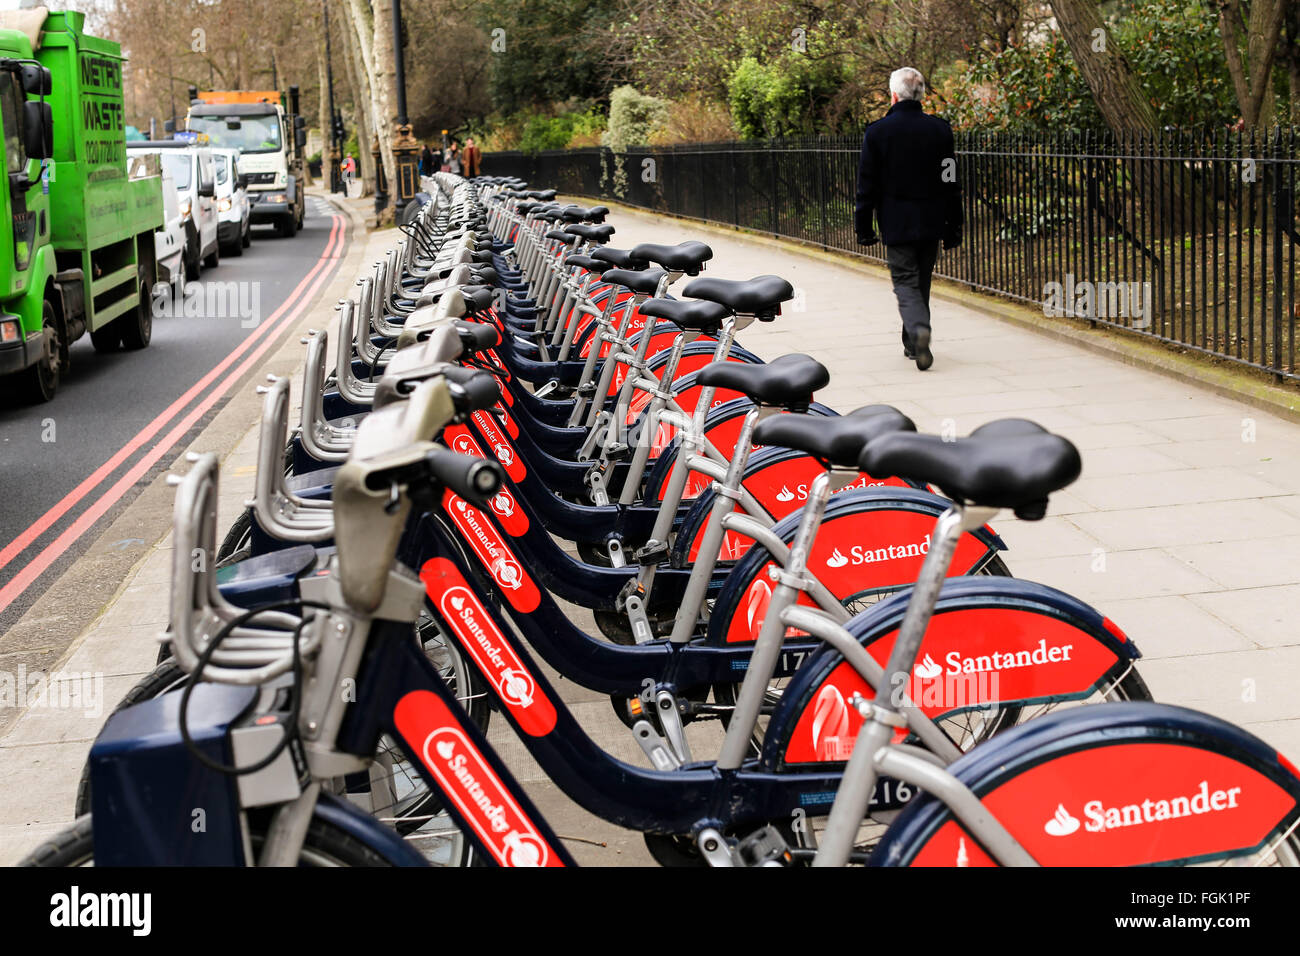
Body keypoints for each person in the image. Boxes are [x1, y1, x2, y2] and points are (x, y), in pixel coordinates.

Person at [855, 67, 962, 372]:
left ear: (893, 95)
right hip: (931, 220)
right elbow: (950, 179)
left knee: (905, 282)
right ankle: (913, 342)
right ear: (922, 94)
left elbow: (867, 185)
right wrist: (955, 224)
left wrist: (864, 227)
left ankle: (917, 331)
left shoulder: (877, 133)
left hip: (897, 222)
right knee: (921, 281)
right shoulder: (940, 130)